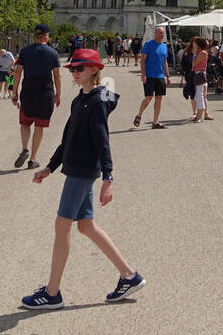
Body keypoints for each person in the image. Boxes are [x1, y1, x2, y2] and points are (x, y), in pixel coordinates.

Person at [21, 48, 145, 310]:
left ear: (94, 70)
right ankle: (130, 276)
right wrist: (50, 168)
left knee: (62, 225)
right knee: (85, 226)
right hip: (76, 169)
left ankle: (52, 293)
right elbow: (68, 138)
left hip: (83, 171)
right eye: (72, 69)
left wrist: (108, 178)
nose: (74, 73)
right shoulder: (81, 99)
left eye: (80, 69)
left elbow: (103, 141)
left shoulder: (97, 101)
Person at [11, 24, 62, 170]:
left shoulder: (25, 51)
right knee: (39, 126)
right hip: (45, 93)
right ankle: (32, 159)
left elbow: (18, 72)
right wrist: (58, 94)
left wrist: (14, 92)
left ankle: (24, 149)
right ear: (46, 35)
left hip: (27, 92)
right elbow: (57, 76)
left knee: (25, 123)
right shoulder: (52, 53)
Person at [134, 26, 171, 129]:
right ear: (155, 33)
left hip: (160, 76)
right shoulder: (148, 44)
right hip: (149, 76)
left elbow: (165, 62)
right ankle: (139, 114)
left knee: (159, 98)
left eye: (163, 33)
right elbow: (142, 60)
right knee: (149, 97)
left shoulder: (164, 46)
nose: (162, 35)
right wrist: (143, 74)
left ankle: (155, 122)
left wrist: (167, 75)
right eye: (160, 33)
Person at [189, 36, 213, 122]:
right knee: (198, 95)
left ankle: (199, 116)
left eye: (194, 43)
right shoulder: (201, 52)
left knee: (200, 95)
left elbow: (194, 64)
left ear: (198, 44)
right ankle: (198, 115)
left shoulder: (202, 52)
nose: (193, 44)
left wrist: (194, 54)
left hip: (199, 75)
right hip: (198, 75)